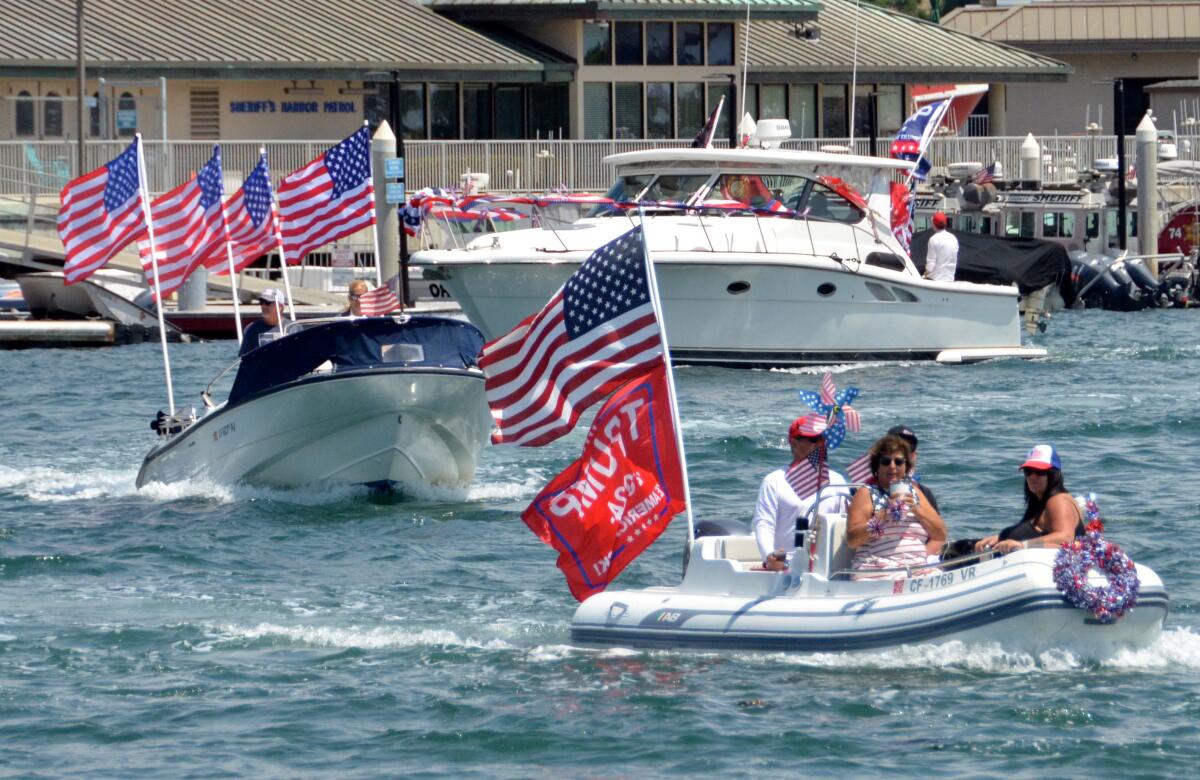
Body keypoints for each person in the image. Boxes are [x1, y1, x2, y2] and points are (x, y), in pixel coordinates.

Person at [754, 414, 850, 571]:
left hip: (829, 563)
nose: (820, 443)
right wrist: (769, 558)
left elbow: (844, 523)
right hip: (788, 563)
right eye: (814, 439)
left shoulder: (837, 480)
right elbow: (764, 524)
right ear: (794, 442)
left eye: (822, 438)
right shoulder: (774, 481)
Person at [846, 434, 946, 580]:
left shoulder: (914, 491)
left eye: (898, 461)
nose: (892, 466)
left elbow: (940, 534)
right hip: (878, 572)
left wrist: (916, 510)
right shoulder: (866, 493)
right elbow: (852, 540)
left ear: (906, 466)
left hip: (916, 570)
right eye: (886, 461)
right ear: (877, 466)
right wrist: (882, 515)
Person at [973, 444, 1085, 555]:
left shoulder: (1059, 500)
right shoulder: (1039, 503)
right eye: (1028, 471)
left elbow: (1065, 537)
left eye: (1039, 472)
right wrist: (1001, 539)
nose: (1032, 477)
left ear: (1054, 474)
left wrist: (1023, 545)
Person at [886, 425, 939, 513]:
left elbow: (939, 526)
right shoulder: (866, 492)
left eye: (908, 448)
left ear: (914, 455)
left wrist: (917, 510)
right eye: (898, 447)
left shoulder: (924, 493)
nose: (904, 453)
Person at [239, 288, 292, 356]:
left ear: (280, 307)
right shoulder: (252, 329)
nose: (263, 306)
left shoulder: (293, 327)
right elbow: (245, 359)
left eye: (268, 303)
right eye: (261, 302)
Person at [924, 211, 958, 282]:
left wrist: (924, 275)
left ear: (934, 224)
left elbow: (930, 266)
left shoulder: (933, 239)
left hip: (935, 280)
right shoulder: (953, 238)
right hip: (950, 279)